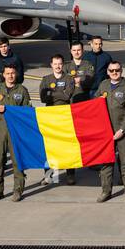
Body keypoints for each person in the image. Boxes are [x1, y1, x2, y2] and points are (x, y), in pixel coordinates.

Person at [0, 65, 31, 202]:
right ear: (3, 75)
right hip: (0, 127)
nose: (10, 76)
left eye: (12, 73)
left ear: (16, 74)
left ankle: (17, 190)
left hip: (16, 130)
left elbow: (27, 110)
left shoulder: (22, 90)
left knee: (17, 161)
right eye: (8, 73)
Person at [97, 61, 125, 202]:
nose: (114, 73)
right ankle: (106, 191)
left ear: (121, 71)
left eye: (117, 70)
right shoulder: (103, 85)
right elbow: (95, 103)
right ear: (108, 72)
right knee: (106, 162)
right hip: (106, 131)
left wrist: (122, 129)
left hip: (122, 131)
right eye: (112, 70)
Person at [39, 53, 78, 184]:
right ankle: (50, 176)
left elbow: (67, 96)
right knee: (50, 146)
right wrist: (60, 93)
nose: (57, 66)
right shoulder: (46, 79)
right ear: (51, 65)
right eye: (55, 64)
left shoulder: (69, 79)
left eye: (60, 64)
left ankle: (70, 175)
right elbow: (43, 97)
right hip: (50, 117)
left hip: (65, 116)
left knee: (67, 145)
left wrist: (52, 93)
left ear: (63, 65)